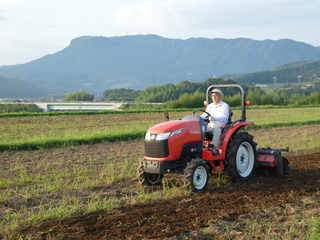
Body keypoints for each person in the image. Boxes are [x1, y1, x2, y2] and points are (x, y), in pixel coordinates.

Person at [201, 89, 229, 155]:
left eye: (216, 95)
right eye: (213, 95)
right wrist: (196, 118)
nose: (214, 97)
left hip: (220, 124)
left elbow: (225, 118)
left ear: (220, 96)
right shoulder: (210, 106)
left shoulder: (225, 106)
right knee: (201, 128)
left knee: (216, 128)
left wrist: (214, 118)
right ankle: (201, 146)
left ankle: (214, 147)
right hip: (211, 124)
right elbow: (204, 115)